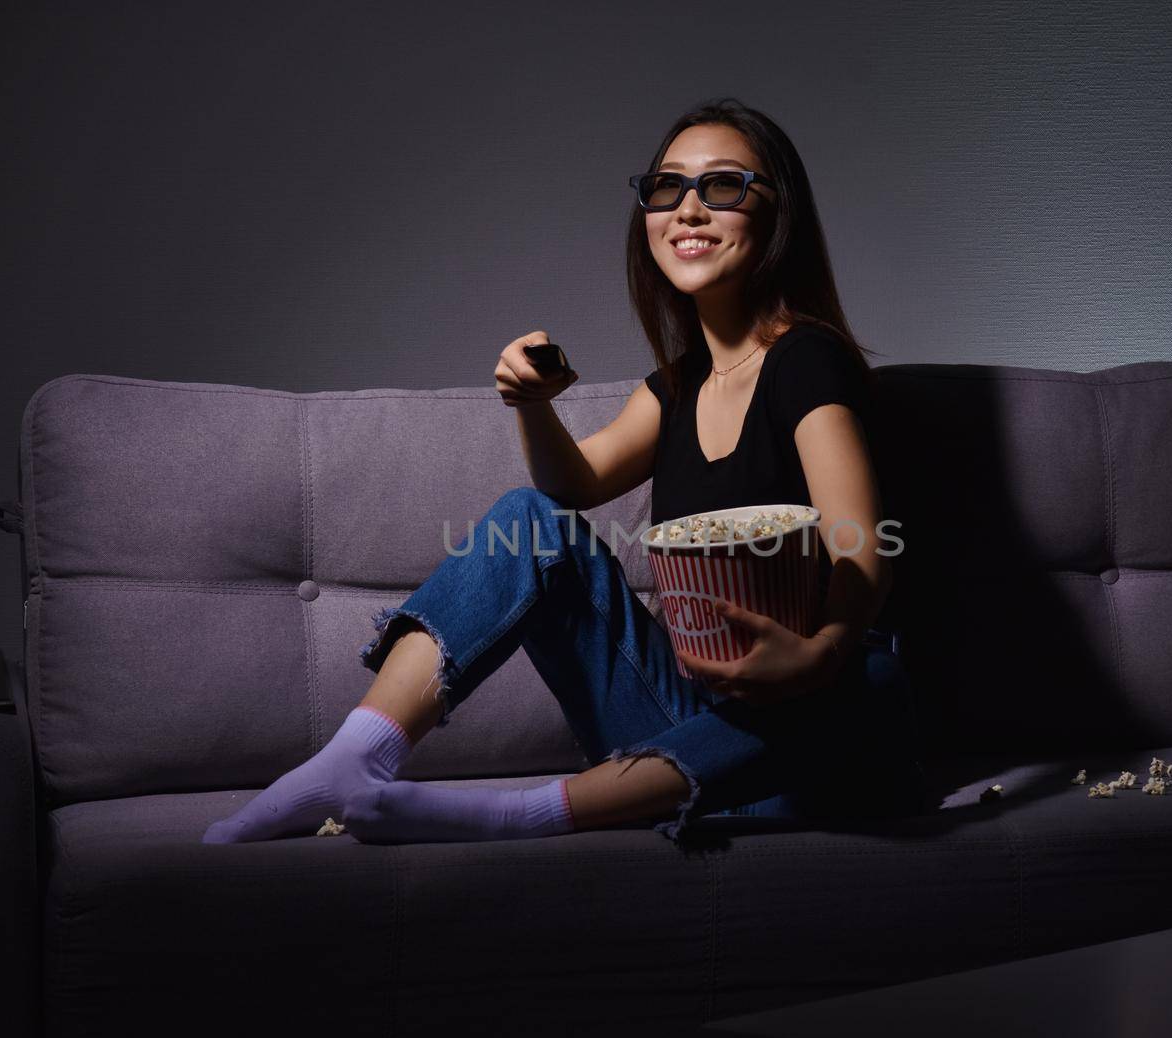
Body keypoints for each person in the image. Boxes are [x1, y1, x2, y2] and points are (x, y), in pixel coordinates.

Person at [203, 97, 924, 849]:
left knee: (870, 678)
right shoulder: (675, 389)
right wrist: (534, 404)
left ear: (778, 216)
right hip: (682, 733)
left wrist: (818, 656)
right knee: (527, 519)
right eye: (666, 188)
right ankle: (352, 761)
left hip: (809, 756)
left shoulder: (807, 359)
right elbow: (570, 487)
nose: (688, 210)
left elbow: (862, 546)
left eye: (723, 187)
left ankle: (516, 815)